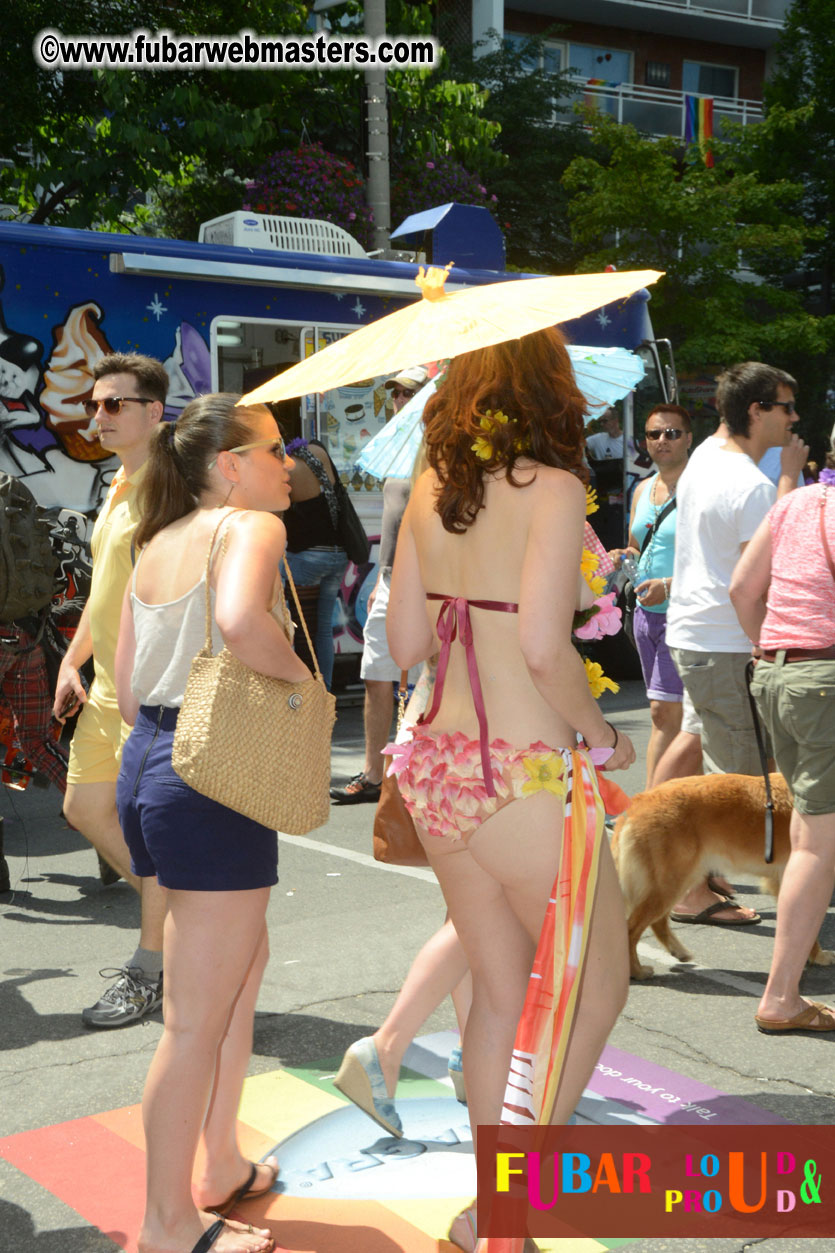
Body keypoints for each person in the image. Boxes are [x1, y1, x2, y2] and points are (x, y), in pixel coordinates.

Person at [384, 329, 635, 1252]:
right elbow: (540, 647)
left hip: (432, 765)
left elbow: (404, 645)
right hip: (522, 769)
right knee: (595, 983)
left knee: (496, 990)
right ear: (547, 387)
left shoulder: (426, 488)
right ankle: (505, 1210)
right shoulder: (554, 487)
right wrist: (604, 735)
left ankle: (491, 1216)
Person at [113, 393, 304, 1253]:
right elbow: (237, 622)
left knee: (235, 976)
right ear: (230, 465)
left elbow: (125, 691)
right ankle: (166, 1223)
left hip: (152, 760)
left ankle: (220, 1161)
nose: (289, 462)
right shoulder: (248, 528)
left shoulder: (153, 538)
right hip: (208, 775)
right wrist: (305, 683)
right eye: (274, 448)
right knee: (194, 1017)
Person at [663, 361, 808, 927]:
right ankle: (691, 890)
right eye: (786, 407)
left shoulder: (708, 455)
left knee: (695, 746)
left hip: (700, 633)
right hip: (727, 641)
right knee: (740, 782)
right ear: (757, 411)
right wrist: (790, 480)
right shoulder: (749, 483)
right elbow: (767, 570)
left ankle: (662, 855)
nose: (794, 418)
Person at [54, 353, 170, 1027]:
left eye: (113, 404)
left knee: (143, 833)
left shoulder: (167, 490)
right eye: (94, 404)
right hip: (103, 685)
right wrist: (73, 661)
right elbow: (107, 594)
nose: (96, 415)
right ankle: (192, 912)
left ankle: (152, 966)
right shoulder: (117, 484)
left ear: (153, 411)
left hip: (146, 691)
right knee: (82, 809)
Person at [730, 436, 835, 1034]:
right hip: (822, 676)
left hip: (776, 671)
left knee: (810, 827)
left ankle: (786, 988)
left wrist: (765, 648)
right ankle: (781, 995)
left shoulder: (795, 504)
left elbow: (743, 591)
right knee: (818, 840)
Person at [331, 364, 427, 803]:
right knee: (376, 674)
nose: (401, 402)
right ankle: (374, 773)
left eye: (411, 393)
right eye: (397, 395)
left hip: (430, 583)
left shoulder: (445, 450)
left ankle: (425, 768)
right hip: (389, 578)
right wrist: (379, 576)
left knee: (431, 679)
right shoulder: (395, 447)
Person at [610, 404, 692, 787]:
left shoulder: (700, 487)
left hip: (687, 613)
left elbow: (718, 558)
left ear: (689, 438)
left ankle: (653, 802)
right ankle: (676, 798)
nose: (662, 441)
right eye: (654, 434)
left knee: (662, 712)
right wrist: (621, 558)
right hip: (645, 614)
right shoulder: (643, 488)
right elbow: (636, 547)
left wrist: (671, 585)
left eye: (672, 433)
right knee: (668, 714)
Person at [282, 437, 348, 690]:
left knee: (303, 631)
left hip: (308, 557)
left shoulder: (288, 466)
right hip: (336, 555)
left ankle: (306, 694)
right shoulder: (320, 451)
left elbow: (280, 508)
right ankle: (326, 692)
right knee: (322, 632)